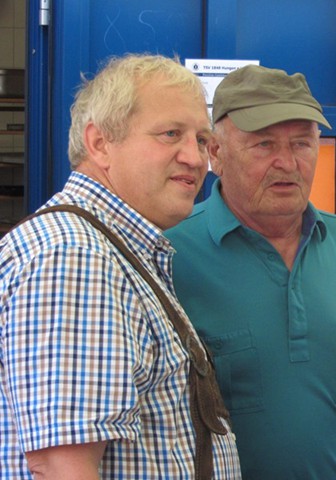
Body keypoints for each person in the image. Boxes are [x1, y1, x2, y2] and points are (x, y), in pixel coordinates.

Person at [0, 54, 241, 479]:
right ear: (99, 143)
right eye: (170, 134)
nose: (195, 158)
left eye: (202, 139)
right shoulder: (75, 255)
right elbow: (62, 468)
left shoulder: (114, 247)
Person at [166, 64, 336, 479]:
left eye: (302, 143)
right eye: (263, 144)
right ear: (216, 154)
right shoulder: (171, 252)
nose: (287, 162)